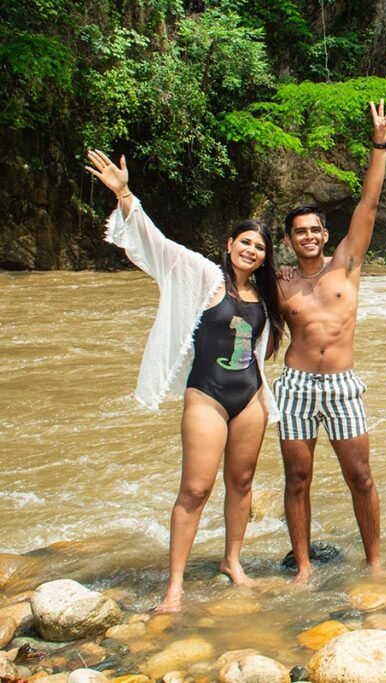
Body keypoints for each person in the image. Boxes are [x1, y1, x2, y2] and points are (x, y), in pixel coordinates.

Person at [85, 150, 284, 613]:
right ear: (230, 242)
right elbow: (156, 243)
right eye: (246, 242)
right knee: (195, 489)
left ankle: (232, 562)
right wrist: (123, 193)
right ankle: (174, 587)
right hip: (207, 396)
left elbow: (264, 345)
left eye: (260, 247)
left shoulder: (265, 294)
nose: (251, 251)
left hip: (250, 396)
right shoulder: (202, 274)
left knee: (242, 481)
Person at [275, 101, 386, 581]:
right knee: (297, 478)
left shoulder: (347, 263)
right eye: (299, 232)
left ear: (326, 235)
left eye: (314, 230)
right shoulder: (277, 280)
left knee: (360, 476)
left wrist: (379, 144)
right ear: (288, 240)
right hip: (295, 385)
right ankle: (302, 566)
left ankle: (375, 562)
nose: (308, 237)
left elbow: (368, 202)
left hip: (344, 384)